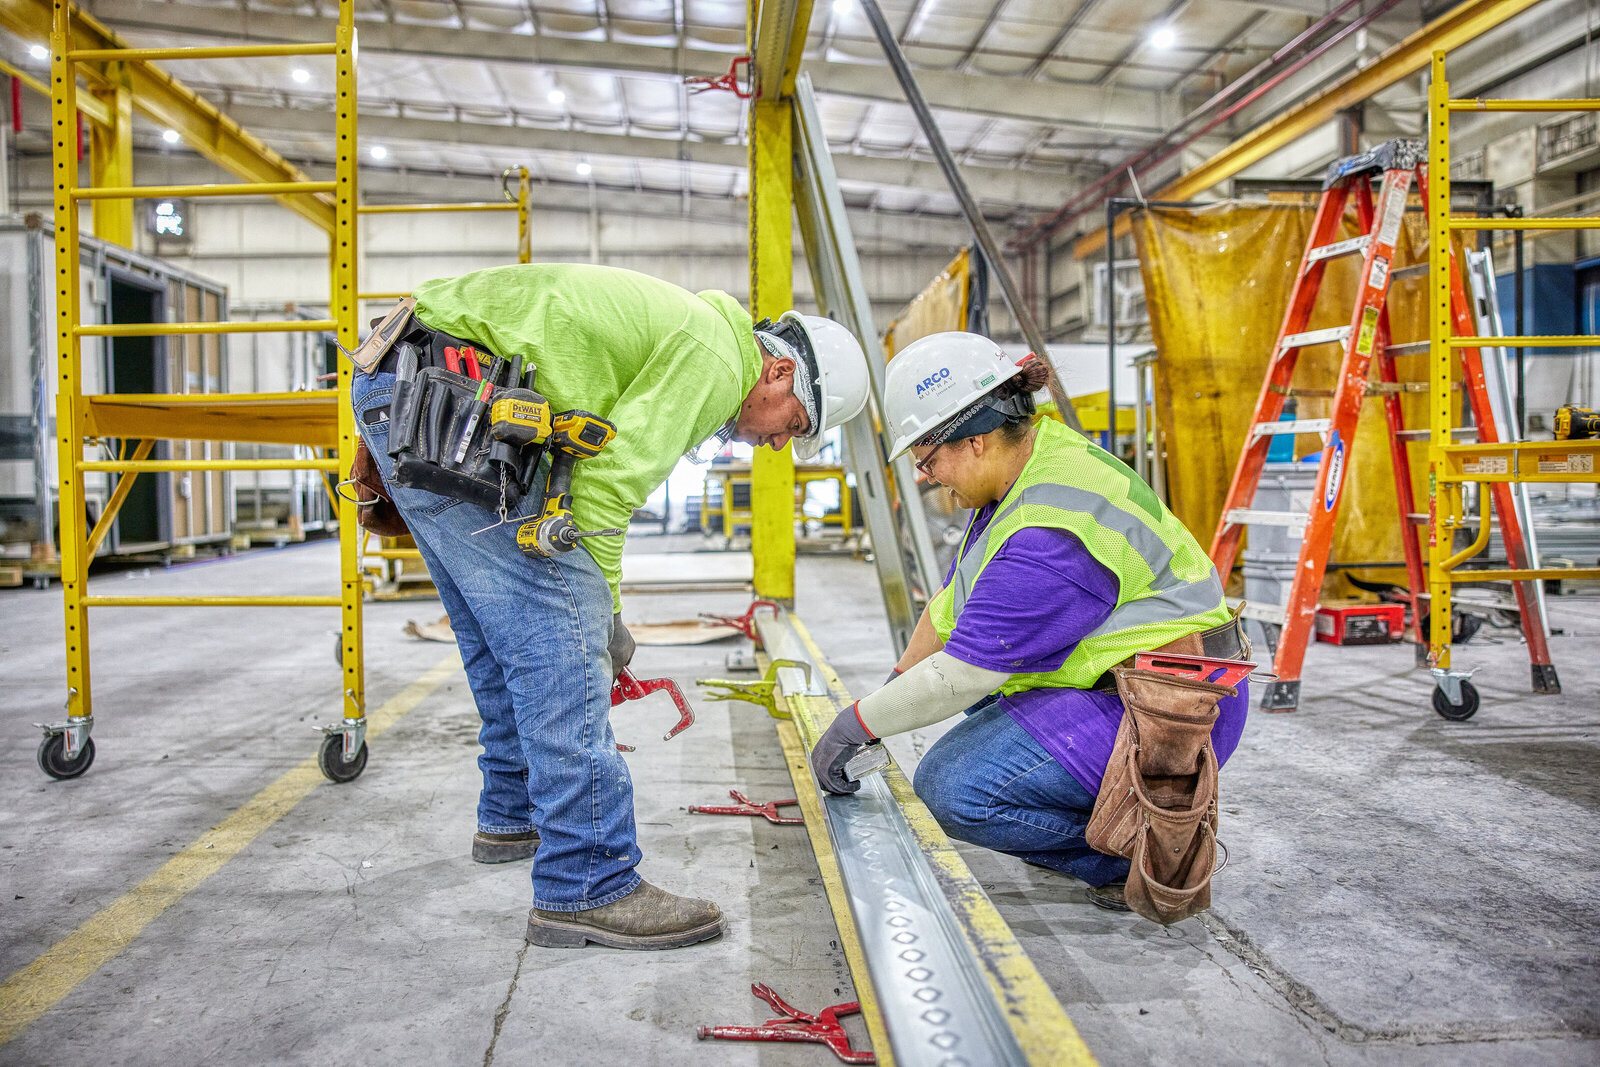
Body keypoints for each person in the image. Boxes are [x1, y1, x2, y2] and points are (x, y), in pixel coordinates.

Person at [351, 263, 869, 949]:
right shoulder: (718, 358)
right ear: (778, 374)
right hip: (446, 393)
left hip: (409, 378)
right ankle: (587, 880)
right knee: (561, 637)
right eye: (793, 425)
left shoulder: (700, 334)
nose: (777, 443)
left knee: (497, 635)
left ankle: (510, 812)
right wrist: (606, 617)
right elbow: (606, 489)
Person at [808, 332, 1248, 911]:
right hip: (1136, 681)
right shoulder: (1027, 467)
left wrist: (856, 724)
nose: (927, 475)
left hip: (1174, 705)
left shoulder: (1050, 533)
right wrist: (893, 694)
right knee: (959, 706)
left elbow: (963, 674)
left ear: (975, 441)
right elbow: (949, 615)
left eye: (928, 458)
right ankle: (1097, 801)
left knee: (953, 787)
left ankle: (1137, 851)